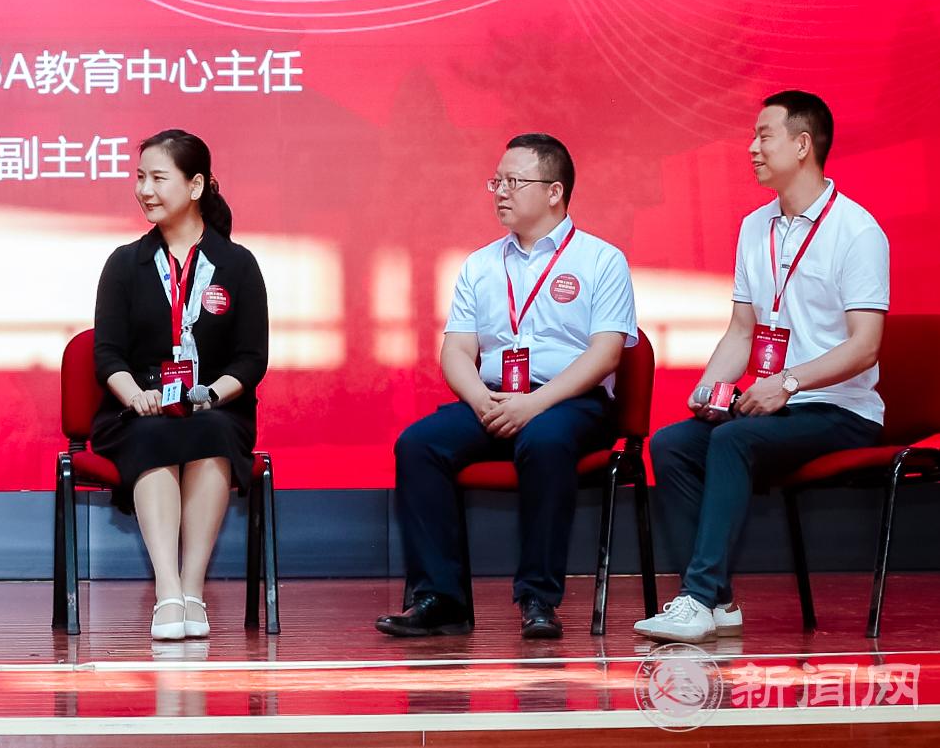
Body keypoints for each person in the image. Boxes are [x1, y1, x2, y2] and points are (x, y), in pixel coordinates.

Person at [637, 91, 888, 641]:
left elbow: (865, 346)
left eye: (764, 136)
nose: (751, 148)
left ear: (802, 145)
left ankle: (696, 597)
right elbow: (742, 331)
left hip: (841, 409)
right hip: (777, 407)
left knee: (735, 441)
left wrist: (788, 382)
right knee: (673, 444)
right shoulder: (755, 227)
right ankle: (718, 601)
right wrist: (710, 387)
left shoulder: (857, 231)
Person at [377, 133, 638, 641]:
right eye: (496, 181)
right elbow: (456, 351)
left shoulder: (601, 260)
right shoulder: (480, 264)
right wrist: (481, 400)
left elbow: (606, 353)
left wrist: (534, 404)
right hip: (493, 399)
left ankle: (538, 598)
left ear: (555, 191)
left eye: (513, 181)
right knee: (419, 445)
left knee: (544, 439)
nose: (500, 191)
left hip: (569, 401)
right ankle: (441, 598)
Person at [89, 129, 268, 641]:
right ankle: (167, 590)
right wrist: (135, 395)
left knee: (212, 430)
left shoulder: (237, 264)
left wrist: (211, 394)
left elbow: (251, 359)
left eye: (158, 178)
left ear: (195, 186)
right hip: (137, 408)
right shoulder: (124, 263)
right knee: (152, 433)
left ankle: (193, 589)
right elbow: (107, 354)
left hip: (215, 405)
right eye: (139, 177)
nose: (145, 190)